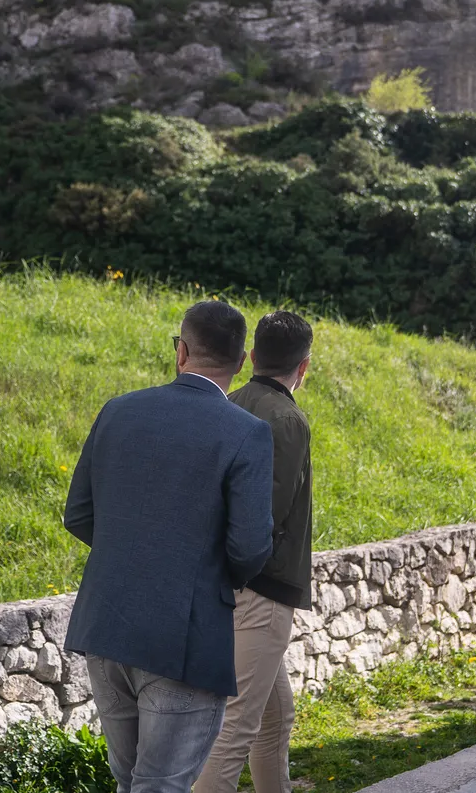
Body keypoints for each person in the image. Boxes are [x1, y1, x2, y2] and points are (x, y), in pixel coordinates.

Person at [62, 300, 273, 793]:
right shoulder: (247, 432)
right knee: (161, 785)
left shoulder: (118, 410)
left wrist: (135, 554)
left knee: (128, 780)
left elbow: (78, 514)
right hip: (185, 631)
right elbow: (249, 546)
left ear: (181, 351)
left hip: (106, 623)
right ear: (241, 362)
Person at [195, 310, 317, 793]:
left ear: (251, 357)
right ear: (303, 367)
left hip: (222, 585)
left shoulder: (227, 402)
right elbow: (267, 513)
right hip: (260, 591)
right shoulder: (287, 418)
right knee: (235, 728)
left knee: (275, 715)